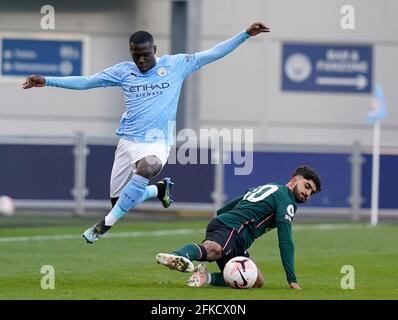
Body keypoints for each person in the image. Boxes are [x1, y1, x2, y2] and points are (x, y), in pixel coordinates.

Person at [22, 22, 271, 244]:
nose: (141, 60)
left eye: (145, 55)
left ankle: (103, 226)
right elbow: (87, 82)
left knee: (148, 167)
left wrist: (245, 34)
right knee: (119, 201)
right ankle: (158, 191)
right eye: (136, 55)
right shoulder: (123, 71)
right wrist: (48, 80)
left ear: (154, 49)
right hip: (128, 140)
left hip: (156, 141)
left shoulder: (175, 65)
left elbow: (214, 53)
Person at [156, 165, 322, 290]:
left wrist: (223, 223)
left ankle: (205, 277)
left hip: (233, 233)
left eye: (312, 192)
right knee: (214, 250)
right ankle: (176, 256)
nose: (308, 194)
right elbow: (285, 240)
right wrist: (292, 279)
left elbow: (227, 207)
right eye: (307, 186)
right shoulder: (287, 200)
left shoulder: (270, 187)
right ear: (294, 181)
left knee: (255, 280)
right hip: (233, 229)